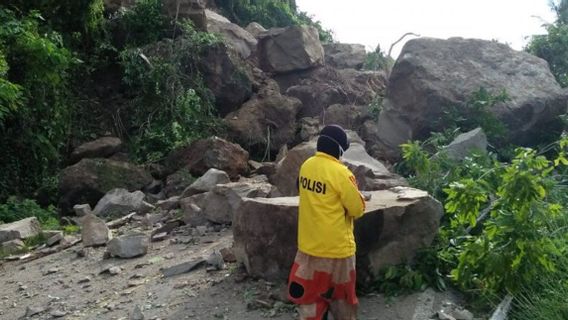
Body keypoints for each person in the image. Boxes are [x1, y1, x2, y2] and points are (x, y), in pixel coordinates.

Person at [288, 124, 366, 320]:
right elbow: (357, 209)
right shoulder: (342, 173)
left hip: (308, 249)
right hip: (337, 252)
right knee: (342, 300)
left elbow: (303, 191)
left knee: (309, 298)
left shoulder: (306, 165)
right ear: (339, 149)